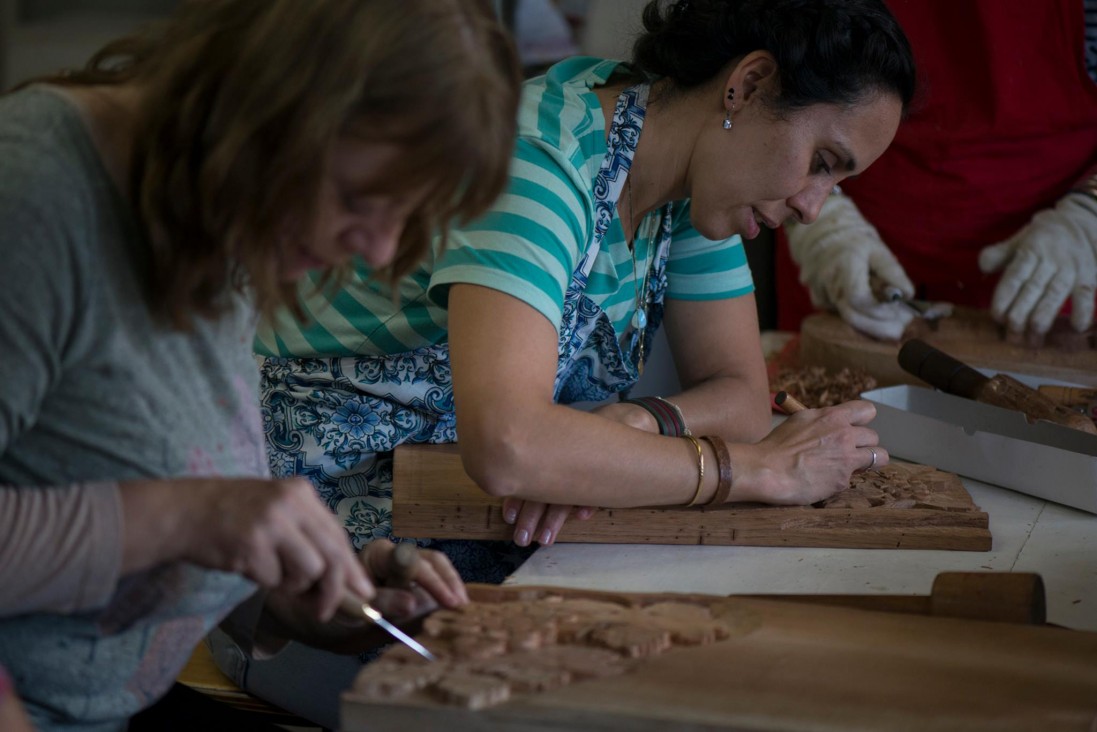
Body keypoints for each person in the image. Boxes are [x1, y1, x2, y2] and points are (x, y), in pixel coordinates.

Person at [0, 1, 521, 730]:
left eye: (404, 219)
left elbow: (142, 497)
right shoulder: (34, 189)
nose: (375, 251)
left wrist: (305, 596)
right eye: (358, 200)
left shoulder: (220, 211)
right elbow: (171, 512)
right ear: (269, 114)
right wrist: (194, 515)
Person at [257, 0, 914, 561]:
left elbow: (740, 398)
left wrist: (629, 425)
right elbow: (510, 446)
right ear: (748, 84)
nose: (810, 206)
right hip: (306, 538)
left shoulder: (692, 187)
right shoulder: (542, 161)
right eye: (821, 162)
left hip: (467, 520)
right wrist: (758, 471)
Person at [781, 0, 1097, 341]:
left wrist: (1089, 213)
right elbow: (770, 49)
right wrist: (819, 214)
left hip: (1048, 260)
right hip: (842, 235)